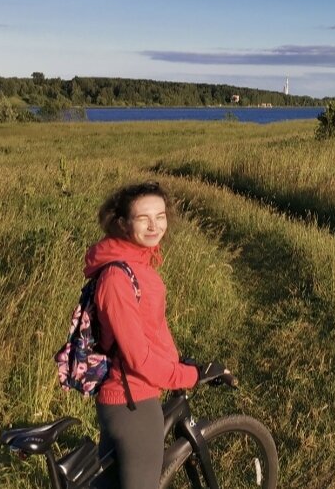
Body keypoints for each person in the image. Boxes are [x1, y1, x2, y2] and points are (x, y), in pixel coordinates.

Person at [87, 181, 232, 489]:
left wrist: (177, 362)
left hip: (130, 396)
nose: (155, 226)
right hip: (133, 403)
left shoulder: (138, 262)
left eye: (160, 216)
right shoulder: (117, 278)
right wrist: (188, 376)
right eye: (143, 218)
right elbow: (138, 358)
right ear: (123, 223)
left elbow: (150, 330)